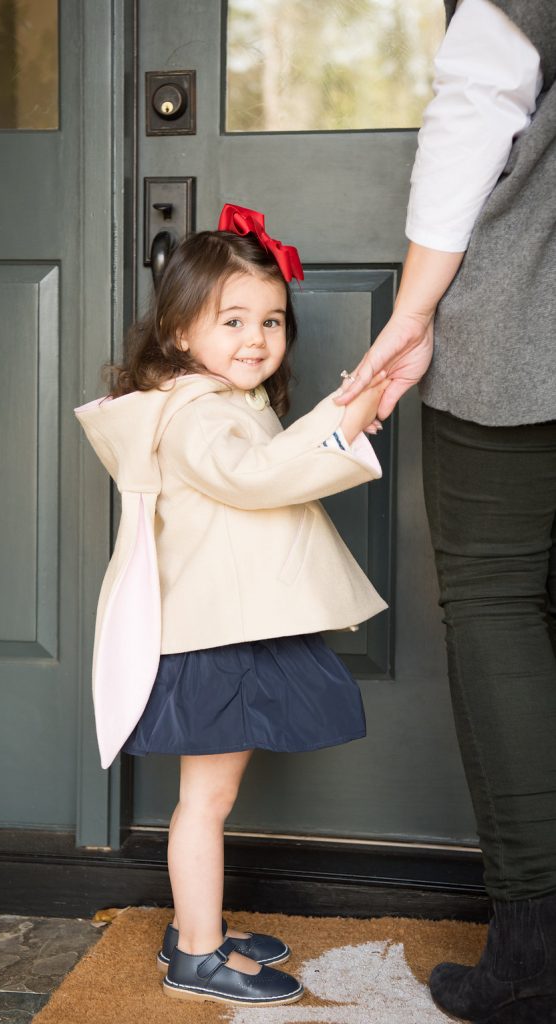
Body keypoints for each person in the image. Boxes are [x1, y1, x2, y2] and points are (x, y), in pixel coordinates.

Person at [75, 204, 388, 1008]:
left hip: (228, 627)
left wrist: (340, 420)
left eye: (272, 320)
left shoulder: (217, 400)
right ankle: (199, 955)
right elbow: (258, 479)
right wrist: (345, 422)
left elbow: (269, 464)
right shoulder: (198, 415)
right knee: (206, 802)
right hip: (214, 638)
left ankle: (195, 927)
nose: (257, 338)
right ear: (179, 330)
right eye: (235, 320)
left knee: (211, 798)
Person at [335, 0, 556, 1020]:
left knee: (497, 599)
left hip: (529, 319)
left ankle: (534, 955)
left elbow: (479, 99)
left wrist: (411, 313)